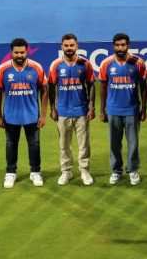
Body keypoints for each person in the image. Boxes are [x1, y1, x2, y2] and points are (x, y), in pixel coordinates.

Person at [0, 38, 48, 188]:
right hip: (10, 117)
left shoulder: (36, 68)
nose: (19, 55)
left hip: (32, 116)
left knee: (34, 145)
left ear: (27, 51)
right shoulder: (3, 69)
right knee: (11, 144)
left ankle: (35, 172)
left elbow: (44, 90)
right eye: (16, 52)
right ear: (11, 52)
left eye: (22, 52)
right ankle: (10, 173)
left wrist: (43, 115)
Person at [48, 33, 96, 186]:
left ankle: (85, 171)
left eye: (72, 45)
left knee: (84, 144)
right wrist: (53, 108)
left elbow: (91, 85)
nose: (69, 48)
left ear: (77, 46)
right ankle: (66, 172)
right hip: (62, 112)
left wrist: (91, 106)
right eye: (66, 46)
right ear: (62, 47)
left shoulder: (85, 64)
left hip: (81, 111)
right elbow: (51, 87)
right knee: (64, 145)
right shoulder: (56, 65)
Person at [99, 33, 147, 186]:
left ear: (128, 45)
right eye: (117, 45)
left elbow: (144, 87)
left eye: (123, 45)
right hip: (113, 110)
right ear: (113, 46)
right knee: (114, 143)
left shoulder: (137, 63)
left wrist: (144, 108)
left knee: (133, 143)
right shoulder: (106, 64)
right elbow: (103, 87)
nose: (120, 48)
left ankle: (132, 170)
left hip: (132, 110)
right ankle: (116, 171)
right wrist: (102, 109)